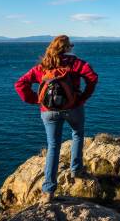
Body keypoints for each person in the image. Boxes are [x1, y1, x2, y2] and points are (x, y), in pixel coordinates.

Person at [15, 35, 98, 203]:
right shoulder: (75, 63)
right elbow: (92, 77)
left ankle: (48, 191)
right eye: (70, 46)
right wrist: (82, 98)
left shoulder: (43, 66)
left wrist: (36, 99)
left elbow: (20, 84)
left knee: (53, 146)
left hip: (48, 111)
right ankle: (76, 170)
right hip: (73, 108)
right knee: (77, 134)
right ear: (67, 48)